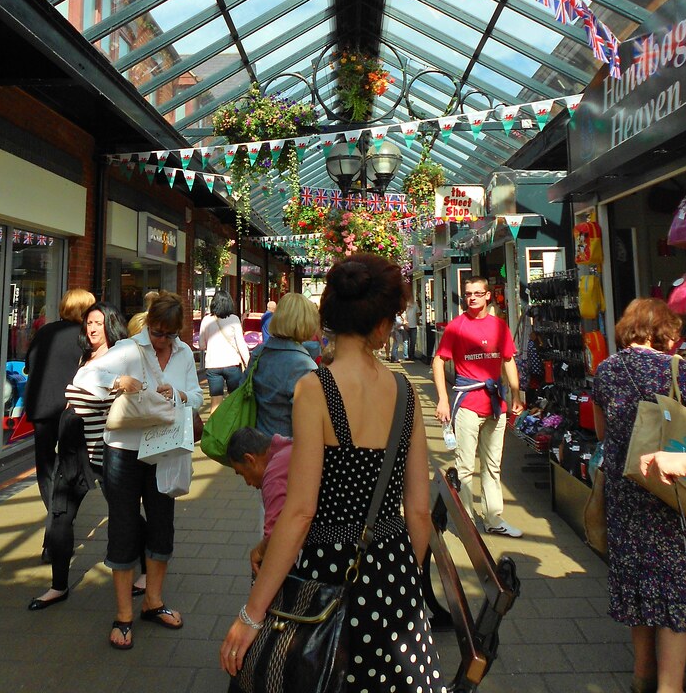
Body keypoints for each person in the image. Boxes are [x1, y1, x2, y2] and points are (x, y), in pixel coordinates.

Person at [220, 253, 444, 691]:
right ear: (382, 325)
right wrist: (404, 576)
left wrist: (251, 615)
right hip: (393, 563)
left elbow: (301, 511)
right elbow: (419, 511)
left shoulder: (316, 389)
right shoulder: (405, 392)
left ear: (330, 318)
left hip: (329, 567)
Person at [593, 298, 686, 693]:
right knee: (677, 590)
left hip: (626, 492)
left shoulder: (606, 370)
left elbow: (602, 433)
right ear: (665, 333)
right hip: (672, 493)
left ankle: (642, 676)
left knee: (639, 586)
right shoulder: (681, 371)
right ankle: (670, 686)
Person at [100, 291, 203, 650]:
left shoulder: (184, 353)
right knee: (124, 525)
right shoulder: (128, 348)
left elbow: (197, 396)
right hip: (124, 449)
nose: (162, 340)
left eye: (169, 334)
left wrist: (178, 394)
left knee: (161, 523)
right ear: (149, 322)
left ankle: (153, 602)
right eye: (157, 332)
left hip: (164, 446)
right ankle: (123, 615)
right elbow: (89, 378)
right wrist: (118, 383)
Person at [28, 302, 130, 611]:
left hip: (106, 447)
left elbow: (113, 392)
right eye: (89, 322)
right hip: (74, 449)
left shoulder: (121, 357)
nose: (93, 328)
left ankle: (142, 571)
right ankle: (58, 586)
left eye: (99, 323)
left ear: (111, 325)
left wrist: (101, 387)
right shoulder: (84, 355)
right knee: (61, 515)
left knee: (124, 513)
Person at [432, 276, 523, 537]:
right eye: (468, 294)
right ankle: (466, 522)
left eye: (477, 293)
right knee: (464, 467)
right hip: (468, 404)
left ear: (487, 296)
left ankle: (493, 519)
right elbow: (438, 361)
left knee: (493, 466)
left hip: (495, 404)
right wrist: (442, 399)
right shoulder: (456, 327)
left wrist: (516, 394)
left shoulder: (499, 326)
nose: (472, 298)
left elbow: (508, 359)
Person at [24, 289, 96, 526]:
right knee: (72, 462)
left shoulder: (45, 331)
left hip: (41, 404)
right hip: (70, 406)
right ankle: (61, 516)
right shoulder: (86, 337)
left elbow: (29, 364)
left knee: (45, 462)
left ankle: (55, 515)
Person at [243, 292, 319, 439]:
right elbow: (309, 422)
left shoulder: (260, 352)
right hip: (288, 446)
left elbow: (244, 387)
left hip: (257, 441)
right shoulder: (304, 366)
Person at [227, 427, 292, 576]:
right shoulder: (283, 447)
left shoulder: (273, 476)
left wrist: (259, 551)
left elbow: (275, 536)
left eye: (242, 473)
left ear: (250, 459)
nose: (248, 482)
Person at [198, 290, 249, 414]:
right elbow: (241, 344)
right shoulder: (234, 319)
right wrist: (248, 362)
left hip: (213, 366)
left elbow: (201, 345)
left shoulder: (206, 320)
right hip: (232, 364)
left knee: (216, 402)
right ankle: (233, 424)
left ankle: (214, 425)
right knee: (234, 399)